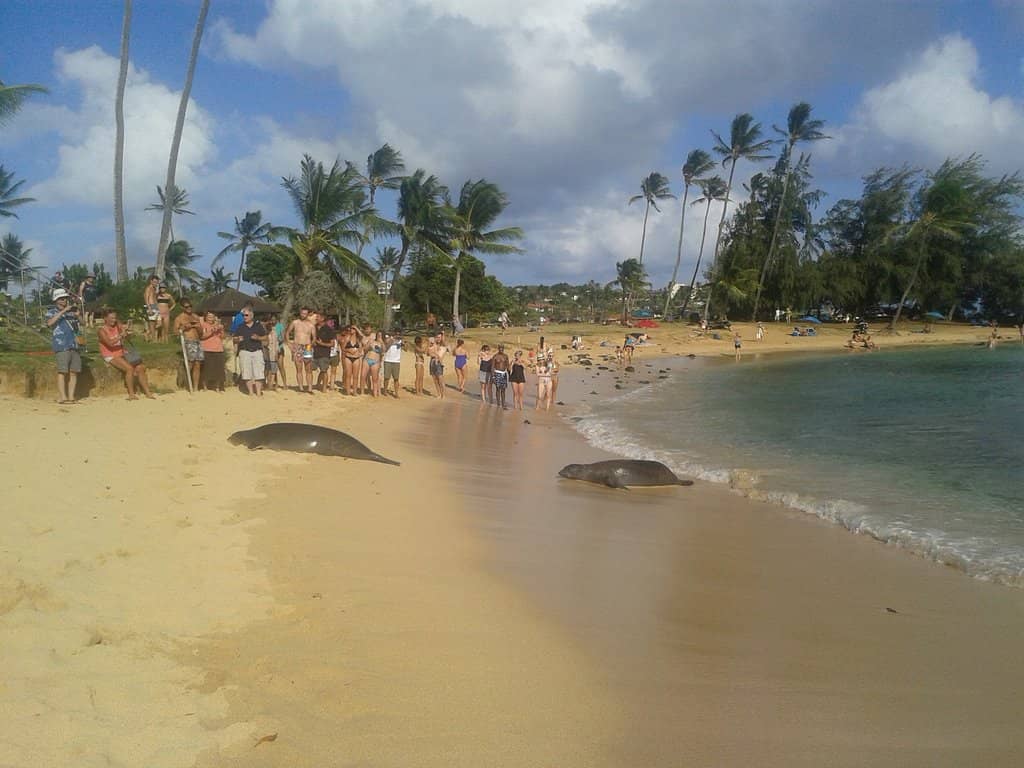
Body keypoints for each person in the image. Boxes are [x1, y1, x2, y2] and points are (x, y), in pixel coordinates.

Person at [97, 308, 155, 400]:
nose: (114, 320)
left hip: (122, 351)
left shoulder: (117, 325)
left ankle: (148, 392)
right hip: (110, 354)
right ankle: (131, 394)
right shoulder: (101, 330)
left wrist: (128, 334)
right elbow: (110, 343)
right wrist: (120, 336)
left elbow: (128, 337)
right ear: (105, 318)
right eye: (111, 318)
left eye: (115, 318)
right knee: (129, 369)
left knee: (140, 368)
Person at [45, 288, 82, 403]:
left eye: (65, 299)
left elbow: (83, 323)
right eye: (61, 299)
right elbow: (49, 323)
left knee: (74, 372)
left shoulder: (71, 312)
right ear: (56, 300)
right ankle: (62, 397)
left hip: (74, 345)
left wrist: (78, 315)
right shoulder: (51, 312)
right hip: (61, 345)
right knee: (62, 371)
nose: (64, 301)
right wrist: (63, 311)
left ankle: (71, 396)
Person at [233, 307, 267, 395]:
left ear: (252, 316)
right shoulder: (240, 326)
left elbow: (265, 337)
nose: (244, 317)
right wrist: (237, 340)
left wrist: (258, 338)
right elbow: (234, 339)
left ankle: (258, 392)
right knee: (246, 373)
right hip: (244, 351)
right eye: (243, 315)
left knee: (259, 373)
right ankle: (251, 392)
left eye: (246, 315)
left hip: (257, 351)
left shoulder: (258, 325)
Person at [172, 298, 203, 388]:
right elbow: (175, 331)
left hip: (198, 341)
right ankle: (185, 384)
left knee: (198, 364)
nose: (189, 308)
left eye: (190, 306)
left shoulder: (196, 316)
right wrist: (184, 327)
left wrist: (197, 327)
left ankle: (195, 387)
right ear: (182, 307)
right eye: (186, 307)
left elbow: (201, 333)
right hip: (188, 341)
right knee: (190, 363)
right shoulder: (179, 318)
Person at [286, 306, 316, 393]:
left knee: (308, 369)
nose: (304, 315)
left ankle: (310, 388)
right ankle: (301, 388)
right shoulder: (295, 322)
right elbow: (287, 332)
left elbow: (314, 337)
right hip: (297, 346)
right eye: (302, 313)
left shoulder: (311, 325)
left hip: (307, 346)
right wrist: (289, 344)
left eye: (305, 314)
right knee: (299, 368)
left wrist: (312, 344)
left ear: (308, 314)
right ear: (300, 313)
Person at [199, 311, 226, 391]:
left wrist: (221, 330)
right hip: (207, 348)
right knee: (207, 369)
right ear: (206, 317)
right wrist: (212, 331)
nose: (211, 319)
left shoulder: (218, 325)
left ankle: (217, 387)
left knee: (219, 369)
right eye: (209, 317)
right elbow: (202, 336)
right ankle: (205, 386)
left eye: (212, 317)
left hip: (218, 349)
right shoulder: (203, 324)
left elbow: (223, 337)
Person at [312, 312, 335, 393]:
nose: (316, 318)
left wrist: (322, 343)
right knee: (310, 369)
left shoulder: (329, 329)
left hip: (324, 353)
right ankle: (313, 385)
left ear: (322, 318)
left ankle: (324, 387)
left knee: (324, 370)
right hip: (314, 353)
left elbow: (332, 344)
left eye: (317, 317)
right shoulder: (313, 327)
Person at [341, 325, 364, 395]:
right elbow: (343, 348)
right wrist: (349, 350)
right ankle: (348, 391)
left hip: (356, 357)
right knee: (348, 375)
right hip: (348, 357)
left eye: (353, 329)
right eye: (351, 329)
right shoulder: (347, 337)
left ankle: (354, 391)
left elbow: (362, 335)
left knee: (356, 375)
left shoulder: (358, 339)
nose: (351, 330)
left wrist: (356, 328)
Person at [263, 313, 281, 391]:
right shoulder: (264, 332)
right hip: (266, 354)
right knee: (266, 370)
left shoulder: (274, 332)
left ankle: (270, 385)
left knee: (273, 370)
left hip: (273, 353)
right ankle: (265, 384)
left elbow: (277, 343)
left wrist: (277, 352)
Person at [382, 333, 403, 398]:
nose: (397, 335)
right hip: (388, 360)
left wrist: (403, 344)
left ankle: (396, 393)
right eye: (396, 333)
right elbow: (386, 348)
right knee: (386, 377)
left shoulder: (400, 341)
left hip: (397, 361)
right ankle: (385, 391)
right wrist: (392, 340)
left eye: (399, 334)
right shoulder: (389, 339)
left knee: (396, 378)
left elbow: (406, 349)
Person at [363, 331, 383, 397]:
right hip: (367, 359)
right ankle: (362, 392)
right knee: (363, 376)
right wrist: (369, 344)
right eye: (378, 335)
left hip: (376, 361)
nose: (379, 336)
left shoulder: (382, 344)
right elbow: (365, 349)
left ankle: (375, 394)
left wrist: (382, 342)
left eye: (380, 335)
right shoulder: (371, 342)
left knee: (375, 379)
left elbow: (384, 351)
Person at [491, 344, 511, 409]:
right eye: (500, 348)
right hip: (497, 373)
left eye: (502, 348)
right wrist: (493, 376)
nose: (501, 349)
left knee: (503, 389)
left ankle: (503, 403)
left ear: (503, 349)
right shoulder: (495, 356)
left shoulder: (506, 356)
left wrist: (510, 375)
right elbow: (492, 367)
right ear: (498, 348)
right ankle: (498, 403)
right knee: (498, 389)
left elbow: (507, 366)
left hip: (503, 374)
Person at [429, 333, 447, 398]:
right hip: (432, 362)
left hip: (439, 363)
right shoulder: (433, 344)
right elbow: (429, 353)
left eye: (440, 337)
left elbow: (444, 343)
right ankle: (438, 393)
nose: (439, 339)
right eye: (437, 337)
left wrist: (443, 333)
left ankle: (443, 394)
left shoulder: (443, 345)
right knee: (434, 379)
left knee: (440, 379)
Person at [143, 275, 160, 341]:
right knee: (152, 323)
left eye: (157, 282)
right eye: (155, 282)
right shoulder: (148, 288)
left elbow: (154, 298)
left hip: (155, 306)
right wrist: (149, 308)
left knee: (159, 323)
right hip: (151, 306)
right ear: (151, 281)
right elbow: (146, 298)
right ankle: (153, 338)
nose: (156, 283)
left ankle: (147, 333)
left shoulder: (154, 288)